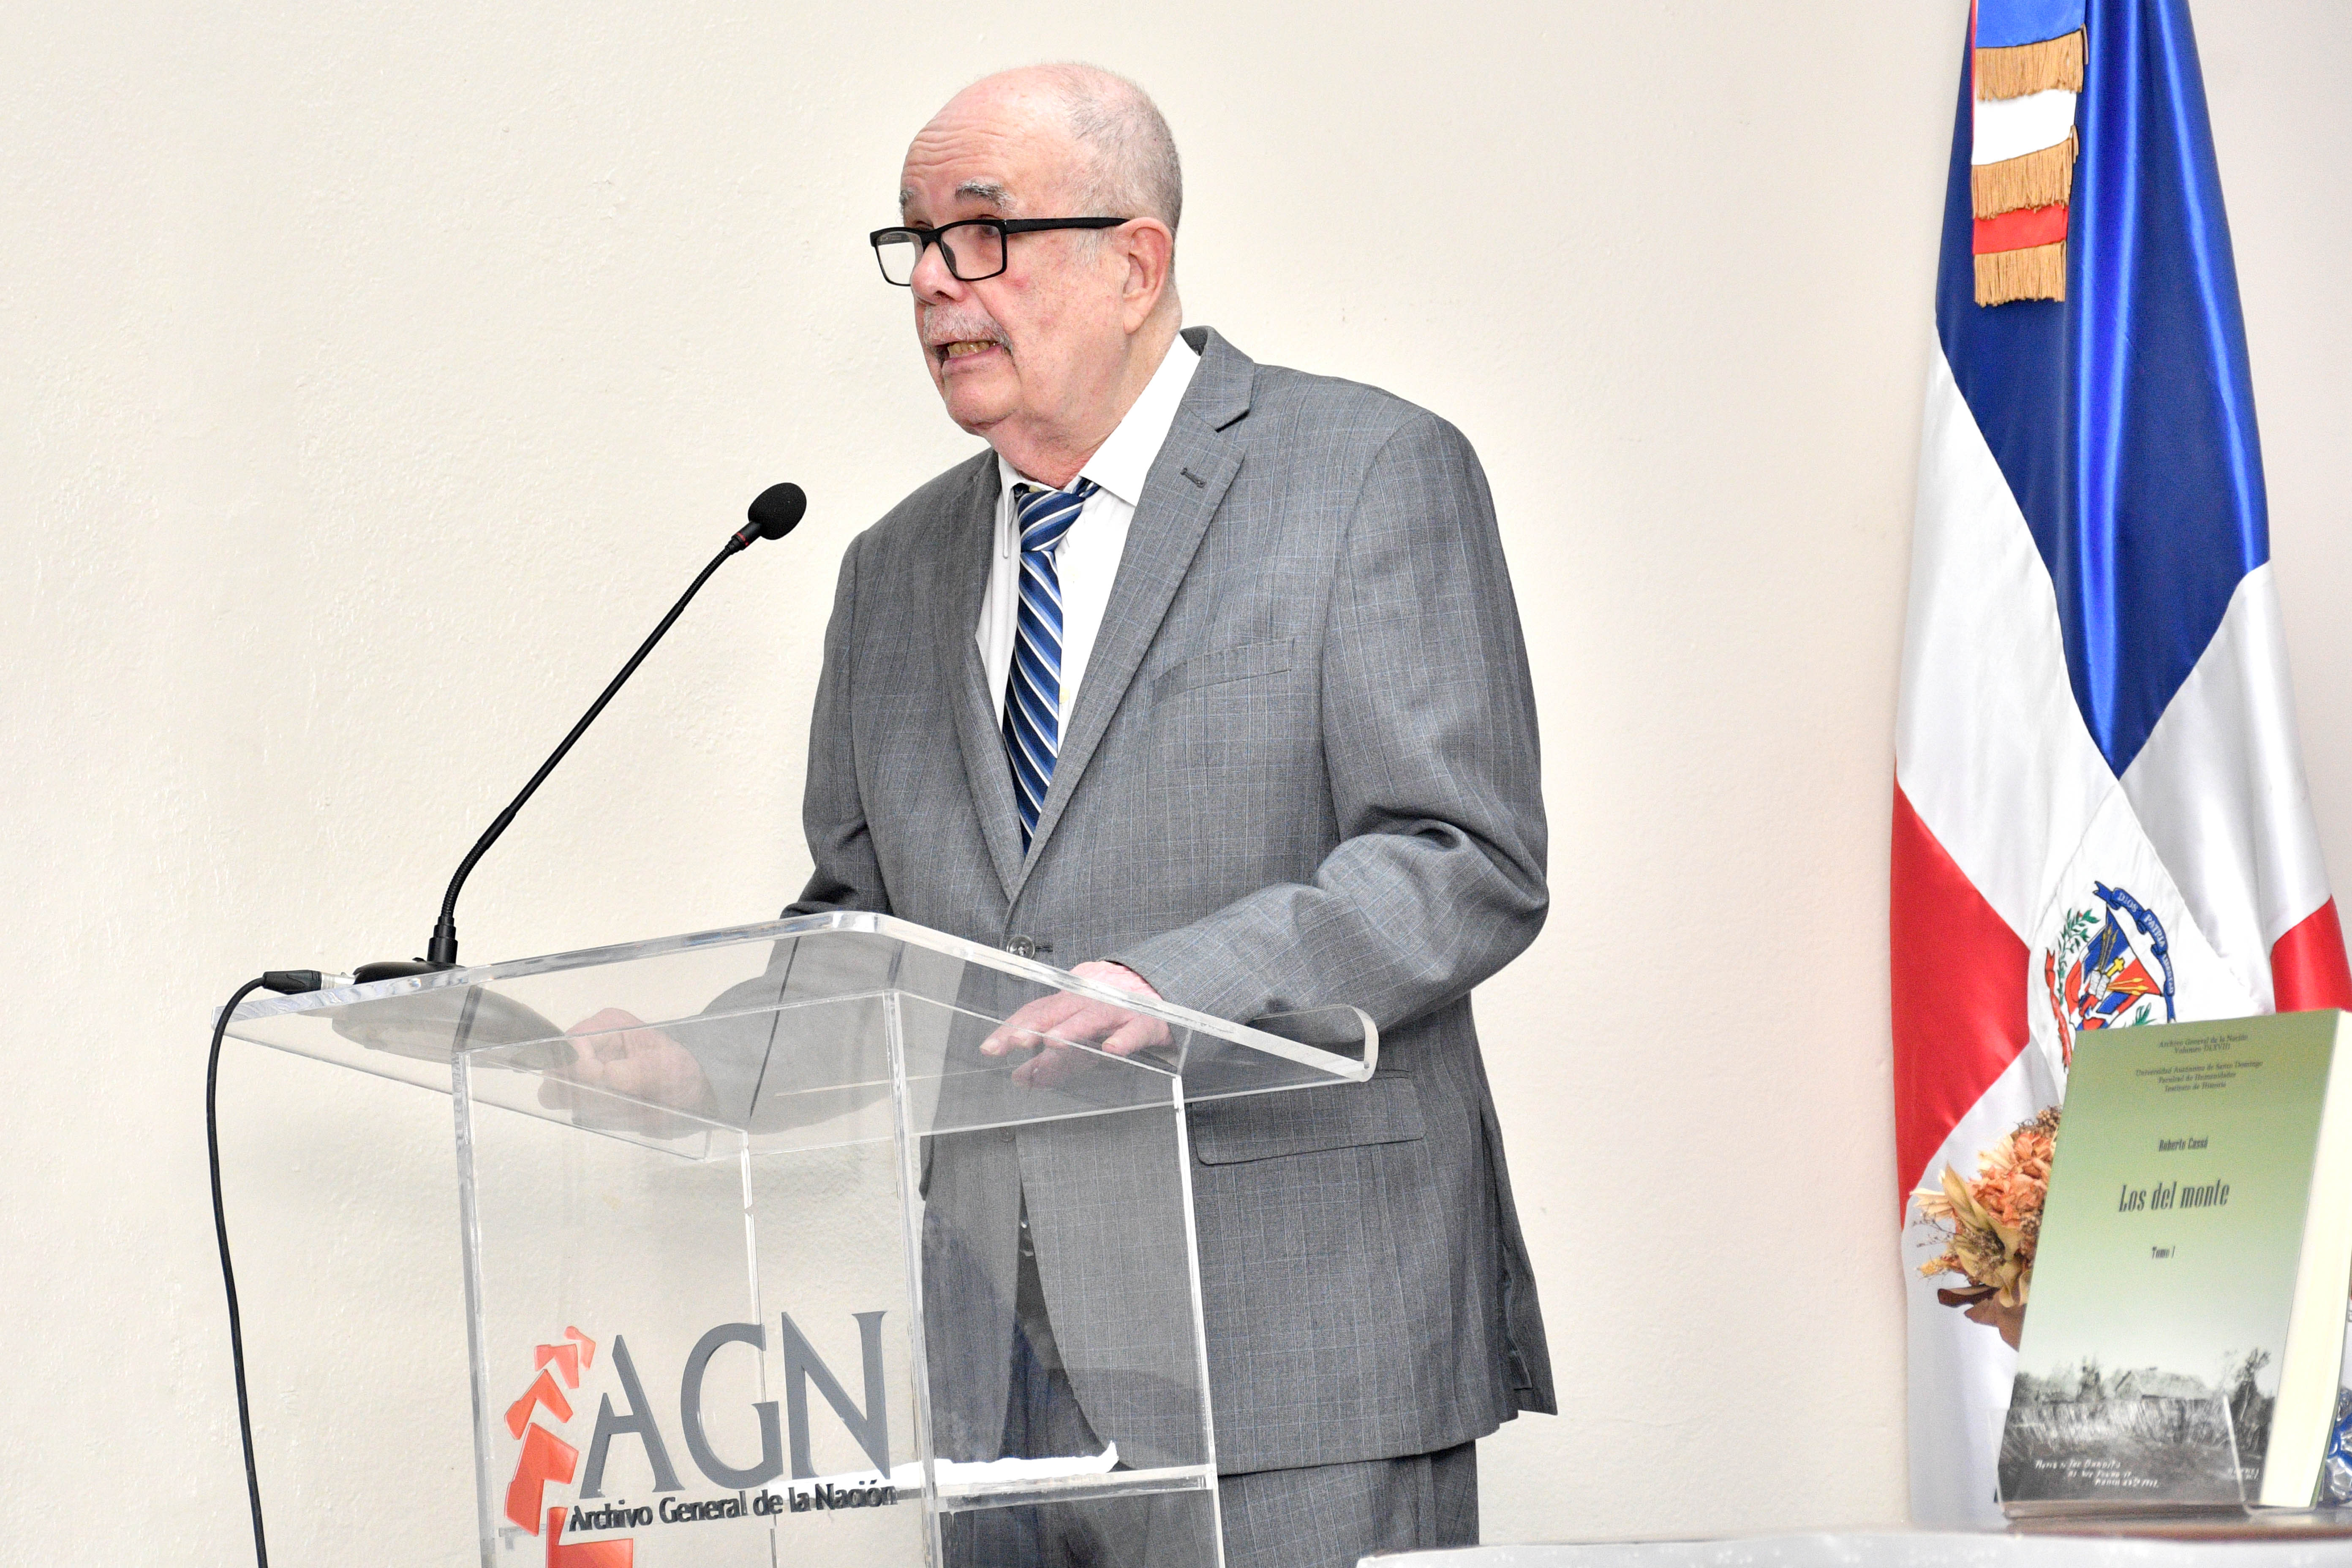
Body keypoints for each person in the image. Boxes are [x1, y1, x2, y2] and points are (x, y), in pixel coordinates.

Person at [563, 60, 1553, 1568]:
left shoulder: (1365, 474)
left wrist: (1174, 984)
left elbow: (1462, 858)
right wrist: (693, 1062)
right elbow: (861, 934)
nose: (935, 283)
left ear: (1135, 262)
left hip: (1294, 1343)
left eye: (983, 233)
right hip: (991, 1366)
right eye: (916, 242)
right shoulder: (892, 571)